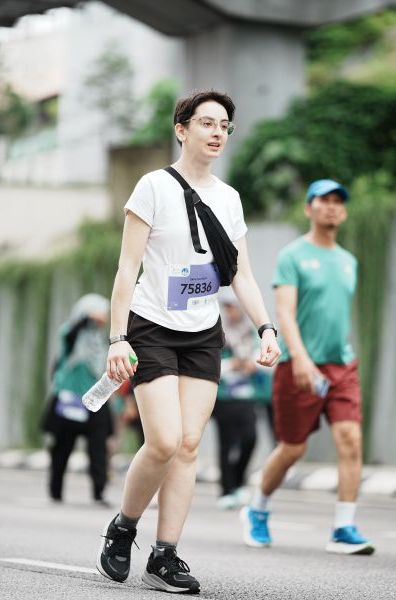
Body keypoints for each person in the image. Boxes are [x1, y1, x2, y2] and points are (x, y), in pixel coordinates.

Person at [95, 89, 281, 594]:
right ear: (182, 129)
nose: (217, 133)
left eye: (225, 126)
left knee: (190, 444)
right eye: (207, 123)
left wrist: (266, 328)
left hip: (202, 333)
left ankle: (164, 555)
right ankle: (123, 528)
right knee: (163, 439)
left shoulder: (229, 199)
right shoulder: (153, 187)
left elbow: (241, 275)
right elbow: (127, 269)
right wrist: (117, 337)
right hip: (151, 326)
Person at [240, 179, 375, 555]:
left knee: (351, 440)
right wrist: (299, 358)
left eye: (337, 201)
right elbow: (285, 312)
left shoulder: (348, 261)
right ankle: (257, 509)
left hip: (341, 366)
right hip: (299, 366)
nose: (331, 206)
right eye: (323, 200)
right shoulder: (293, 256)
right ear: (308, 208)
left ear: (343, 211)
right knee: (292, 448)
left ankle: (344, 527)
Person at [42, 293, 113, 505]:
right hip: (69, 399)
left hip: (94, 399)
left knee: (98, 448)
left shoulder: (101, 339)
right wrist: (86, 317)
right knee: (62, 448)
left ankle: (99, 492)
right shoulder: (69, 332)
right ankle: (55, 491)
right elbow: (71, 336)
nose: (102, 318)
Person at [213, 290, 272, 510]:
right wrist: (233, 365)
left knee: (250, 438)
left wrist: (251, 365)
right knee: (226, 443)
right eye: (227, 307)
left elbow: (264, 358)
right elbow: (211, 364)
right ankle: (226, 489)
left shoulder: (251, 332)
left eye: (234, 307)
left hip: (246, 395)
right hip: (224, 395)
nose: (231, 311)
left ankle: (238, 481)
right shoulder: (218, 333)